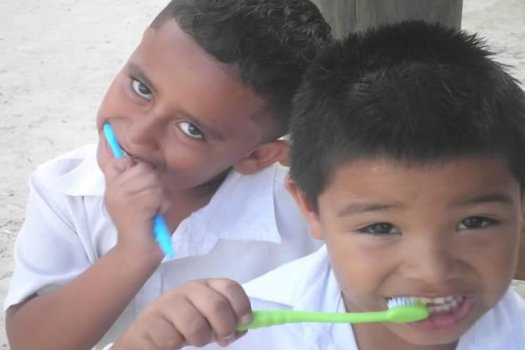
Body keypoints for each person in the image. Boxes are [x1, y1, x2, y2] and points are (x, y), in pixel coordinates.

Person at [109, 21, 525, 350]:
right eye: (380, 228)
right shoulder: (238, 331)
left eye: (475, 222)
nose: (433, 271)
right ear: (309, 209)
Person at [4, 1, 332, 350]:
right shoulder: (64, 192)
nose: (140, 133)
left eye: (191, 129)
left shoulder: (306, 216)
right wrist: (133, 252)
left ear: (255, 156)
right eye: (141, 88)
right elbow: (32, 342)